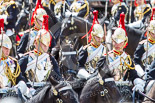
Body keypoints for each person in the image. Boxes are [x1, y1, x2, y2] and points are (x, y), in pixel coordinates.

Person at [97, 13, 145, 93]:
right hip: (108, 91)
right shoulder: (105, 58)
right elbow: (102, 77)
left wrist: (138, 83)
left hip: (124, 91)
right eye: (115, 42)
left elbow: (133, 75)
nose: (117, 45)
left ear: (124, 42)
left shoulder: (128, 59)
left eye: (120, 42)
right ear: (112, 41)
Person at [18, 15, 61, 84]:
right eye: (43, 44)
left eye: (47, 45)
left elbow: (57, 76)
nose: (45, 47)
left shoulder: (50, 59)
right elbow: (19, 77)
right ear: (36, 43)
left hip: (46, 89)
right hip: (31, 90)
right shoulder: (26, 59)